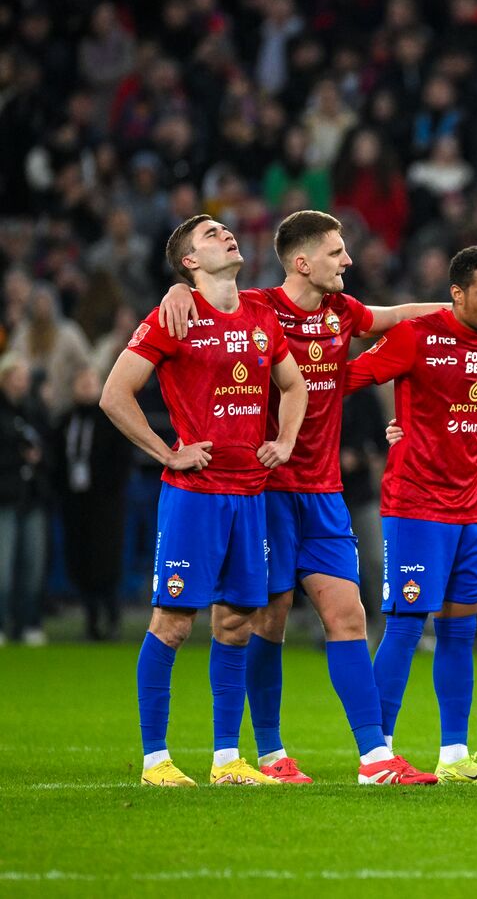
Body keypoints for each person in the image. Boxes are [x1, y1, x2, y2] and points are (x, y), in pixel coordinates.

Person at [156, 210, 452, 785]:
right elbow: (205, 300)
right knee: (270, 618)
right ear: (303, 262)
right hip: (267, 491)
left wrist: (466, 312)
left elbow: (393, 317)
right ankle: (270, 753)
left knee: (348, 615)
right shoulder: (258, 309)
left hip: (325, 492)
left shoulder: (343, 311)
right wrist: (176, 286)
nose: (348, 261)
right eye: (338, 252)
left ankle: (374, 759)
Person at [99, 215, 307, 787]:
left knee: (237, 623)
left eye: (226, 230)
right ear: (188, 261)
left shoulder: (263, 316)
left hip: (251, 494)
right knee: (172, 622)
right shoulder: (176, 314)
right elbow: (115, 395)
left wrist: (284, 440)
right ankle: (156, 761)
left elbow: (295, 385)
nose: (226, 236)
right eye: (210, 235)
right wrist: (167, 453)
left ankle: (226, 761)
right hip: (194, 496)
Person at [346, 246, 477, 785]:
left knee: (460, 630)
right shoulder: (417, 335)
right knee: (404, 624)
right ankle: (378, 755)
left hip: (470, 506)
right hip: (415, 504)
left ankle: (455, 754)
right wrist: (371, 438)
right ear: (458, 292)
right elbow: (343, 381)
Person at [54, 366, 130, 640]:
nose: (86, 386)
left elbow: (123, 461)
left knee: (106, 560)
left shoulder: (111, 420)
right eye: (81, 382)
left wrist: (109, 491)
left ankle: (111, 615)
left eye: (91, 381)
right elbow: (58, 461)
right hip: (75, 502)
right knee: (79, 559)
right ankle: (90, 619)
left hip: (105, 504)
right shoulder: (64, 421)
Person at [0, 355, 48, 646]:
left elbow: (50, 448)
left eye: (25, 378)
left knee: (33, 565)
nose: (23, 383)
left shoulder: (35, 411)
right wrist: (18, 455)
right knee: (2, 569)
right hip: (4, 497)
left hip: (32, 498)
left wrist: (38, 460)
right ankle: (3, 624)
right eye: (18, 377)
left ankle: (29, 622)